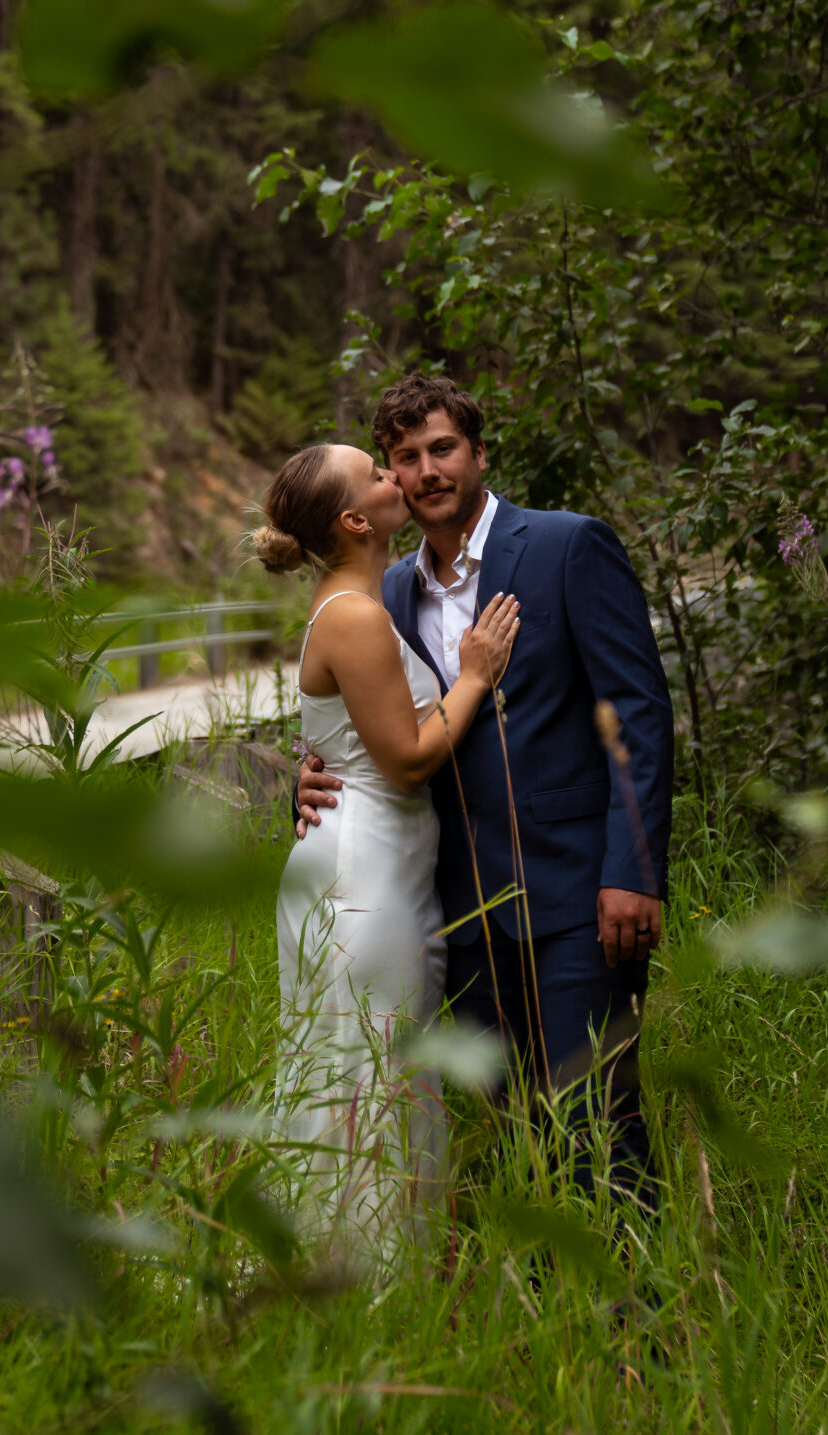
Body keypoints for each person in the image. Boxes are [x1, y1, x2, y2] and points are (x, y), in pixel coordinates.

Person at [296, 373, 673, 1204]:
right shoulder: (386, 591)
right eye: (406, 457)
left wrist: (634, 870)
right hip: (455, 915)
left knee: (599, 1122)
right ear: (390, 476)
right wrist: (317, 769)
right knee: (515, 1138)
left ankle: (642, 1326)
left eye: (443, 448)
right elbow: (379, 722)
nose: (427, 470)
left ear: (477, 452)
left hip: (577, 896)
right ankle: (546, 1318)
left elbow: (637, 713)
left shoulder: (568, 546)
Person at [253, 439, 520, 1258]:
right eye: (378, 470)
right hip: (361, 876)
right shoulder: (357, 615)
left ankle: (348, 1273)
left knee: (371, 1067)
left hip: (379, 869)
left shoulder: (363, 604)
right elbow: (404, 761)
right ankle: (358, 1280)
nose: (396, 474)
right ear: (356, 518)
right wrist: (474, 674)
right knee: (365, 1072)